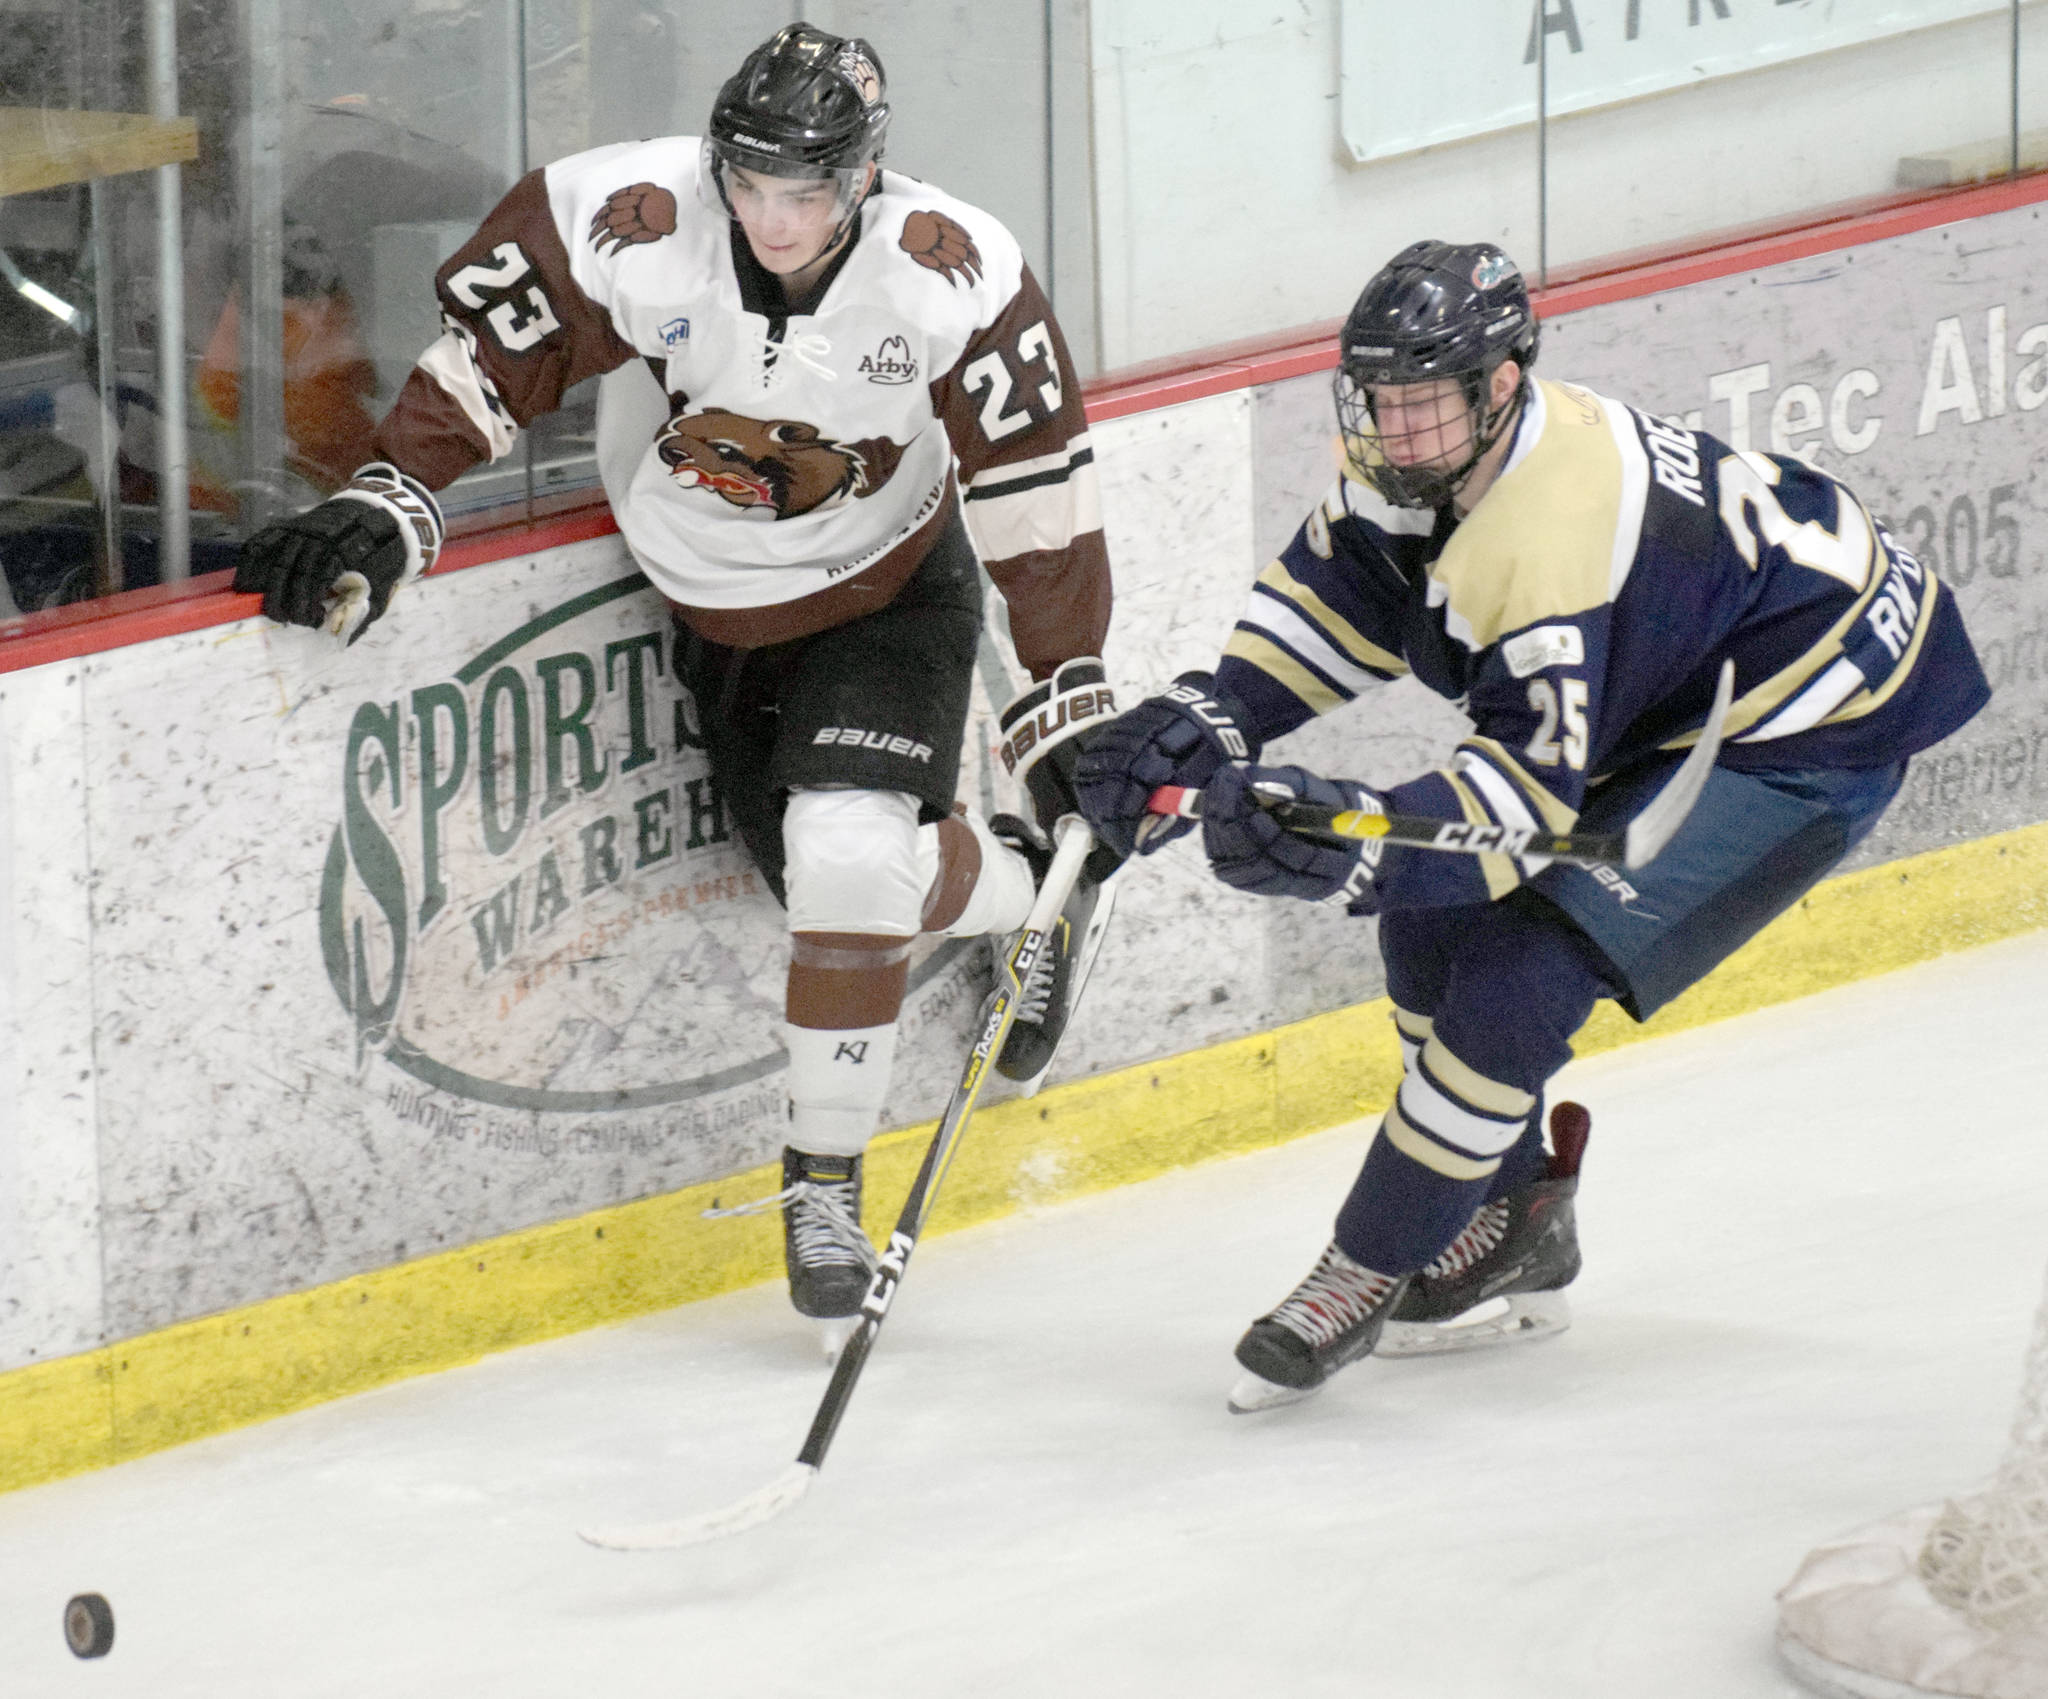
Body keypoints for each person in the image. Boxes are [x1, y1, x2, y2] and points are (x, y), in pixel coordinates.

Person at [231, 23, 1119, 1342]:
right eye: (750, 183)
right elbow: (498, 353)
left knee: (848, 855)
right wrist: (395, 488)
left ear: (867, 176)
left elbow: (1040, 495)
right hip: (711, 600)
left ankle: (821, 1185)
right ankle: (1044, 883)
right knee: (833, 880)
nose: (771, 216)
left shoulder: (951, 272)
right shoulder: (634, 215)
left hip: (887, 581)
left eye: (805, 191)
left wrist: (1067, 695)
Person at [1074, 239, 1990, 1412]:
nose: (1392, 431)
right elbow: (1344, 597)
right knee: (1422, 925)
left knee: (1519, 979)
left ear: (1500, 382)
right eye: (1379, 401)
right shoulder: (1429, 458)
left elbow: (1514, 814)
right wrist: (1212, 713)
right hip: (1684, 679)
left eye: (1420, 404)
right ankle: (1512, 1217)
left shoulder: (1550, 532)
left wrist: (1350, 843)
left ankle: (1366, 1262)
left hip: (1810, 723)